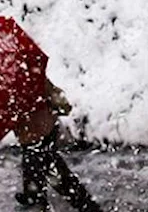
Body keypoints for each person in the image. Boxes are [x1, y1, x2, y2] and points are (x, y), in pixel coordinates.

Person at [12, 79, 103, 211]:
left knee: (46, 167)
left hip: (34, 136)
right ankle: (34, 195)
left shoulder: (6, 90)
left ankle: (36, 197)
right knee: (45, 165)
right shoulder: (34, 77)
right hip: (44, 132)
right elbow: (64, 106)